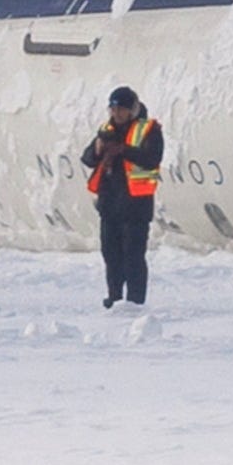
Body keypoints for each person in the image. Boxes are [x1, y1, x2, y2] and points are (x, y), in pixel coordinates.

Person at [81, 85, 163, 308]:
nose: (116, 114)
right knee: (111, 255)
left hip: (135, 205)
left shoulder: (149, 130)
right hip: (110, 204)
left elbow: (151, 158)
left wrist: (123, 150)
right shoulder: (106, 130)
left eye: (121, 109)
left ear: (132, 109)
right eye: (113, 109)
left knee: (133, 257)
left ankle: (135, 301)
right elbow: (87, 159)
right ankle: (114, 296)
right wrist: (99, 149)